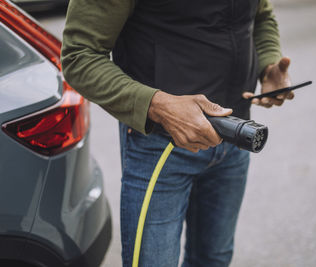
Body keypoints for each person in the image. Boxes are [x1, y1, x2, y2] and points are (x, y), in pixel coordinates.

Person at [61, 0, 293, 266]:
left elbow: (260, 15)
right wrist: (158, 105)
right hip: (161, 146)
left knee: (213, 259)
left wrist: (268, 64)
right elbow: (79, 56)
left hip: (235, 137)